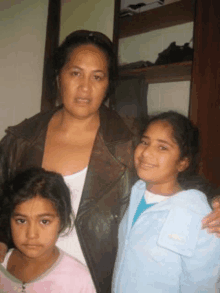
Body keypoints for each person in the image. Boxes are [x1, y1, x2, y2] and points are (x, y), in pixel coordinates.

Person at [0, 30, 219, 293]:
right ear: (58, 77)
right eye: (75, 73)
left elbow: (176, 176)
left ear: (108, 85)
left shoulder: (130, 139)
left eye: (97, 77)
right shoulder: (20, 141)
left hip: (102, 283)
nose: (85, 87)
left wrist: (215, 199)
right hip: (31, 281)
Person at [112, 111, 220, 293]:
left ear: (183, 162)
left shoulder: (200, 217)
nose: (146, 152)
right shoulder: (135, 192)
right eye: (145, 142)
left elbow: (203, 286)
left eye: (162, 147)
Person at [0, 167, 96, 293]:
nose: (31, 234)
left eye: (44, 221)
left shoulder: (79, 281)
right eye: (21, 221)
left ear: (62, 222)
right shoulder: (2, 263)